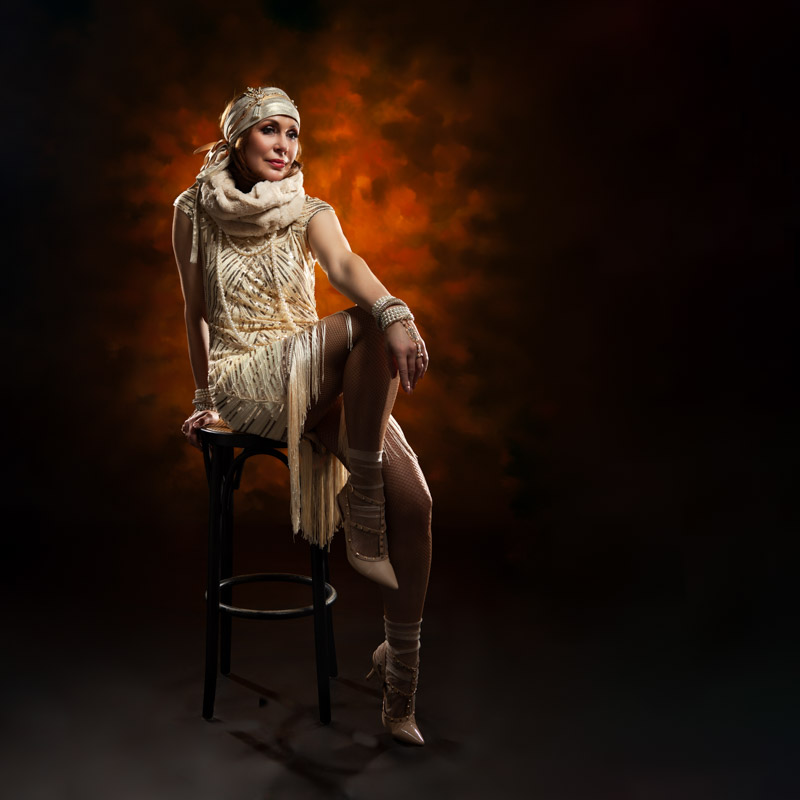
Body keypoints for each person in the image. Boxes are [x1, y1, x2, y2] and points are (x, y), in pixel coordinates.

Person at [172, 87, 432, 745]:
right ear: (237, 139)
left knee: (418, 502)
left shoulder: (309, 210)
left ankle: (400, 674)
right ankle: (362, 509)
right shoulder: (193, 209)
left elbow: (344, 264)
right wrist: (204, 399)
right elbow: (195, 312)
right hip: (248, 380)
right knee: (372, 322)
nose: (285, 145)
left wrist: (390, 309)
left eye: (293, 133)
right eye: (270, 130)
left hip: (314, 376)